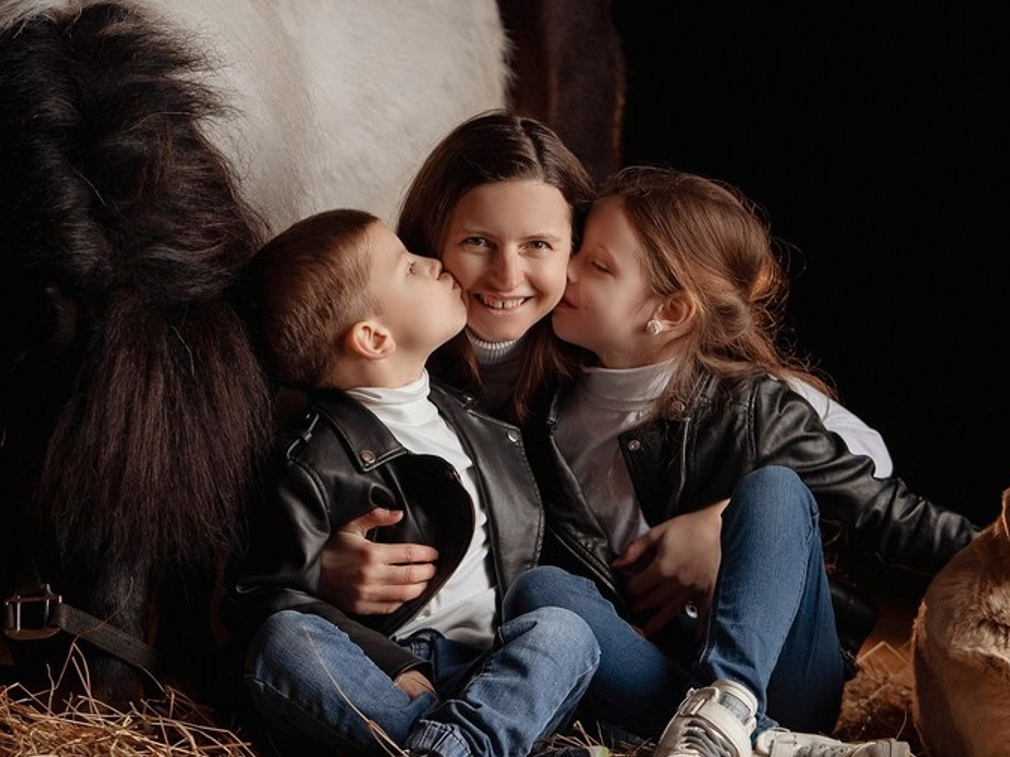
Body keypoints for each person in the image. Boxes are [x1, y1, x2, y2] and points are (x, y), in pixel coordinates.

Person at [503, 165, 984, 757]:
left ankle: (728, 712)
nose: (567, 272)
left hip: (786, 677)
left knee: (775, 490)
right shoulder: (546, 412)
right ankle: (759, 752)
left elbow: (891, 516)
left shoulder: (753, 406)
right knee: (540, 593)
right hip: (656, 679)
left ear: (668, 311)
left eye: (597, 264)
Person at [322, 112, 894, 656]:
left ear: (574, 249)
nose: (507, 276)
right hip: (489, 646)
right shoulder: (383, 358)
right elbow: (300, 486)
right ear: (432, 238)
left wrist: (728, 522)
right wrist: (318, 565)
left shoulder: (599, 352)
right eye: (477, 242)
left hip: (626, 642)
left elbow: (859, 460)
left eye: (539, 245)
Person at [223, 208, 607, 757]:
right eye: (409, 265)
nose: (433, 263)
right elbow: (260, 597)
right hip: (387, 676)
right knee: (284, 643)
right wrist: (385, 657)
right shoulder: (310, 458)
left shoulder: (482, 424)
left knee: (564, 631)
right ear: (373, 338)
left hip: (492, 668)